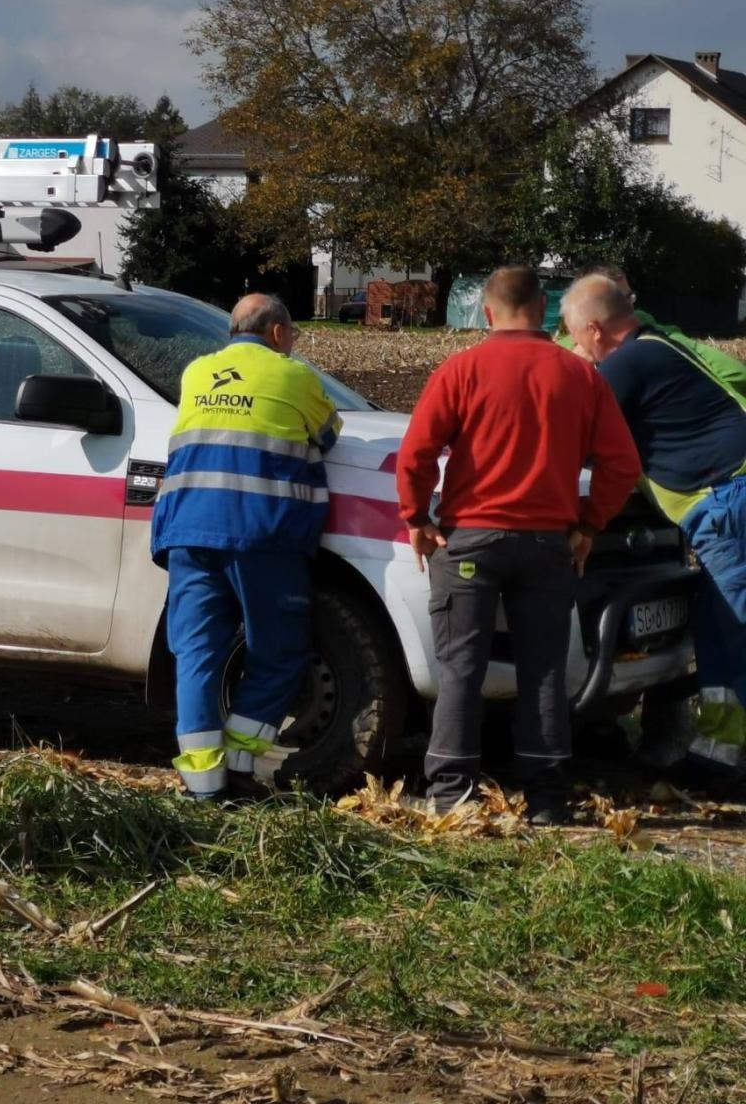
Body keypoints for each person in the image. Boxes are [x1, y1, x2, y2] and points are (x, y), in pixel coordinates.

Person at [397, 266, 641, 822]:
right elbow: (621, 463)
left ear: (487, 312)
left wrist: (416, 517)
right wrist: (589, 525)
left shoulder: (461, 369)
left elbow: (415, 454)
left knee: (461, 666)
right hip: (548, 544)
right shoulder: (579, 376)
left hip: (470, 543)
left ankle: (451, 796)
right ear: (545, 310)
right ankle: (547, 800)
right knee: (544, 669)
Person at [151, 293, 342, 800]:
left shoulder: (195, 373)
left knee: (196, 653)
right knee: (278, 651)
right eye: (292, 335)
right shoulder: (293, 375)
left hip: (188, 529)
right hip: (261, 533)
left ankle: (202, 787)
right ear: (277, 332)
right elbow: (328, 435)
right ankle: (239, 766)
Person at [562, 275, 746, 796]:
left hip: (728, 505)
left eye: (577, 338)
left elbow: (577, 437)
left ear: (595, 330)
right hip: (729, 499)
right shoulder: (658, 347)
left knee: (736, 630)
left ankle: (725, 761)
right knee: (720, 628)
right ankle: (719, 757)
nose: (578, 348)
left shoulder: (626, 365)